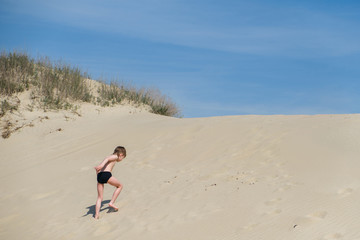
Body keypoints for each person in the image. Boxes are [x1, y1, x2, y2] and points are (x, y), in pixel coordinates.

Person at [94, 146, 126, 219]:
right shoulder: (115, 156)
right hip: (106, 174)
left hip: (99, 176)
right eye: (123, 158)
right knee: (120, 186)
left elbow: (106, 160)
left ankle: (96, 214)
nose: (121, 159)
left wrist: (98, 173)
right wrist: (101, 165)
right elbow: (107, 159)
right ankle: (111, 202)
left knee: (99, 197)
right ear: (121, 155)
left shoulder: (111, 156)